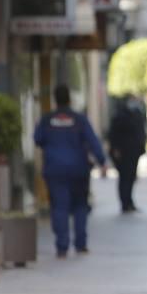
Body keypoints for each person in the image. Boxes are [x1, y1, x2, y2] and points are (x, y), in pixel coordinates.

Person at [34, 84, 107, 259]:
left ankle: (62, 246)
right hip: (78, 169)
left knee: (59, 207)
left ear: (55, 99)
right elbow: (93, 141)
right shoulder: (79, 119)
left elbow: (38, 139)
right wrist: (102, 162)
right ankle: (81, 244)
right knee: (80, 206)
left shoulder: (47, 120)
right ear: (69, 99)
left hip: (55, 170)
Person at [107, 93, 147, 214]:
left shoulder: (137, 113)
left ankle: (129, 202)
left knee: (131, 177)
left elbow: (141, 132)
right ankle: (125, 203)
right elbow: (113, 134)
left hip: (134, 152)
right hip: (123, 152)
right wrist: (115, 149)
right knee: (124, 177)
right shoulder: (119, 115)